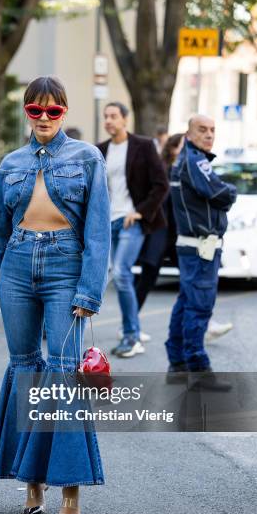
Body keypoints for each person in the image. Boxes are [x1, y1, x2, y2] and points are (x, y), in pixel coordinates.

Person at [0, 75, 110, 514]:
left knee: (65, 372)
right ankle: (32, 484)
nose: (45, 118)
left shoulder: (88, 158)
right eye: (36, 111)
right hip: (15, 267)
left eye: (53, 111)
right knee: (26, 370)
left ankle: (69, 490)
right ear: (26, 113)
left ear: (65, 112)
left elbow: (98, 233)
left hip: (64, 267)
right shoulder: (11, 164)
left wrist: (89, 291)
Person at [165, 114, 237, 387]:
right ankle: (198, 369)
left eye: (212, 130)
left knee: (186, 303)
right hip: (199, 248)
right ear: (189, 134)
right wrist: (231, 191)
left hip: (193, 246)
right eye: (202, 130)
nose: (209, 135)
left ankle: (178, 363)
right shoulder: (195, 161)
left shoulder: (189, 159)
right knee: (199, 306)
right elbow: (222, 193)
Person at [97, 102, 168, 358]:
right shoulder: (100, 150)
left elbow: (161, 184)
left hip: (131, 222)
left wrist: (140, 211)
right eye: (105, 116)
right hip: (108, 222)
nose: (108, 121)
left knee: (121, 272)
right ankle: (130, 331)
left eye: (113, 116)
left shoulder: (143, 146)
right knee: (114, 274)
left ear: (125, 119)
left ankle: (132, 335)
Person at [135, 133, 184, 312]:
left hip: (178, 235)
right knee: (147, 280)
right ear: (172, 149)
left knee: (190, 281)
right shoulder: (163, 170)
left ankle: (205, 324)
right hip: (160, 234)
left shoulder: (186, 171)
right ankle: (128, 327)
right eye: (182, 146)